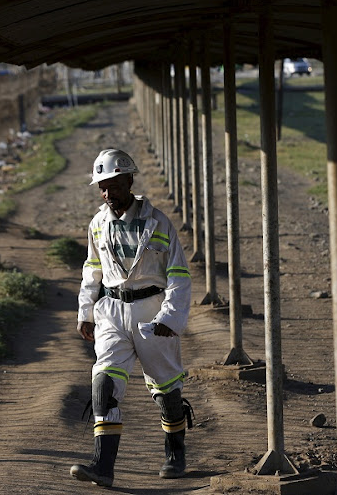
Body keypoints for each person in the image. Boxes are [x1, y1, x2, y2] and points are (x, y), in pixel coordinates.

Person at [70, 148, 193, 487]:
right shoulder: (97, 224)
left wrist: (171, 316)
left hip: (151, 311)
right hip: (111, 311)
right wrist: (85, 311)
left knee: (167, 388)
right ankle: (102, 467)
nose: (108, 194)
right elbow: (91, 270)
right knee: (104, 384)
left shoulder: (159, 223)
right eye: (102, 187)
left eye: (113, 185)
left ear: (129, 180)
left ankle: (175, 452)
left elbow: (179, 273)